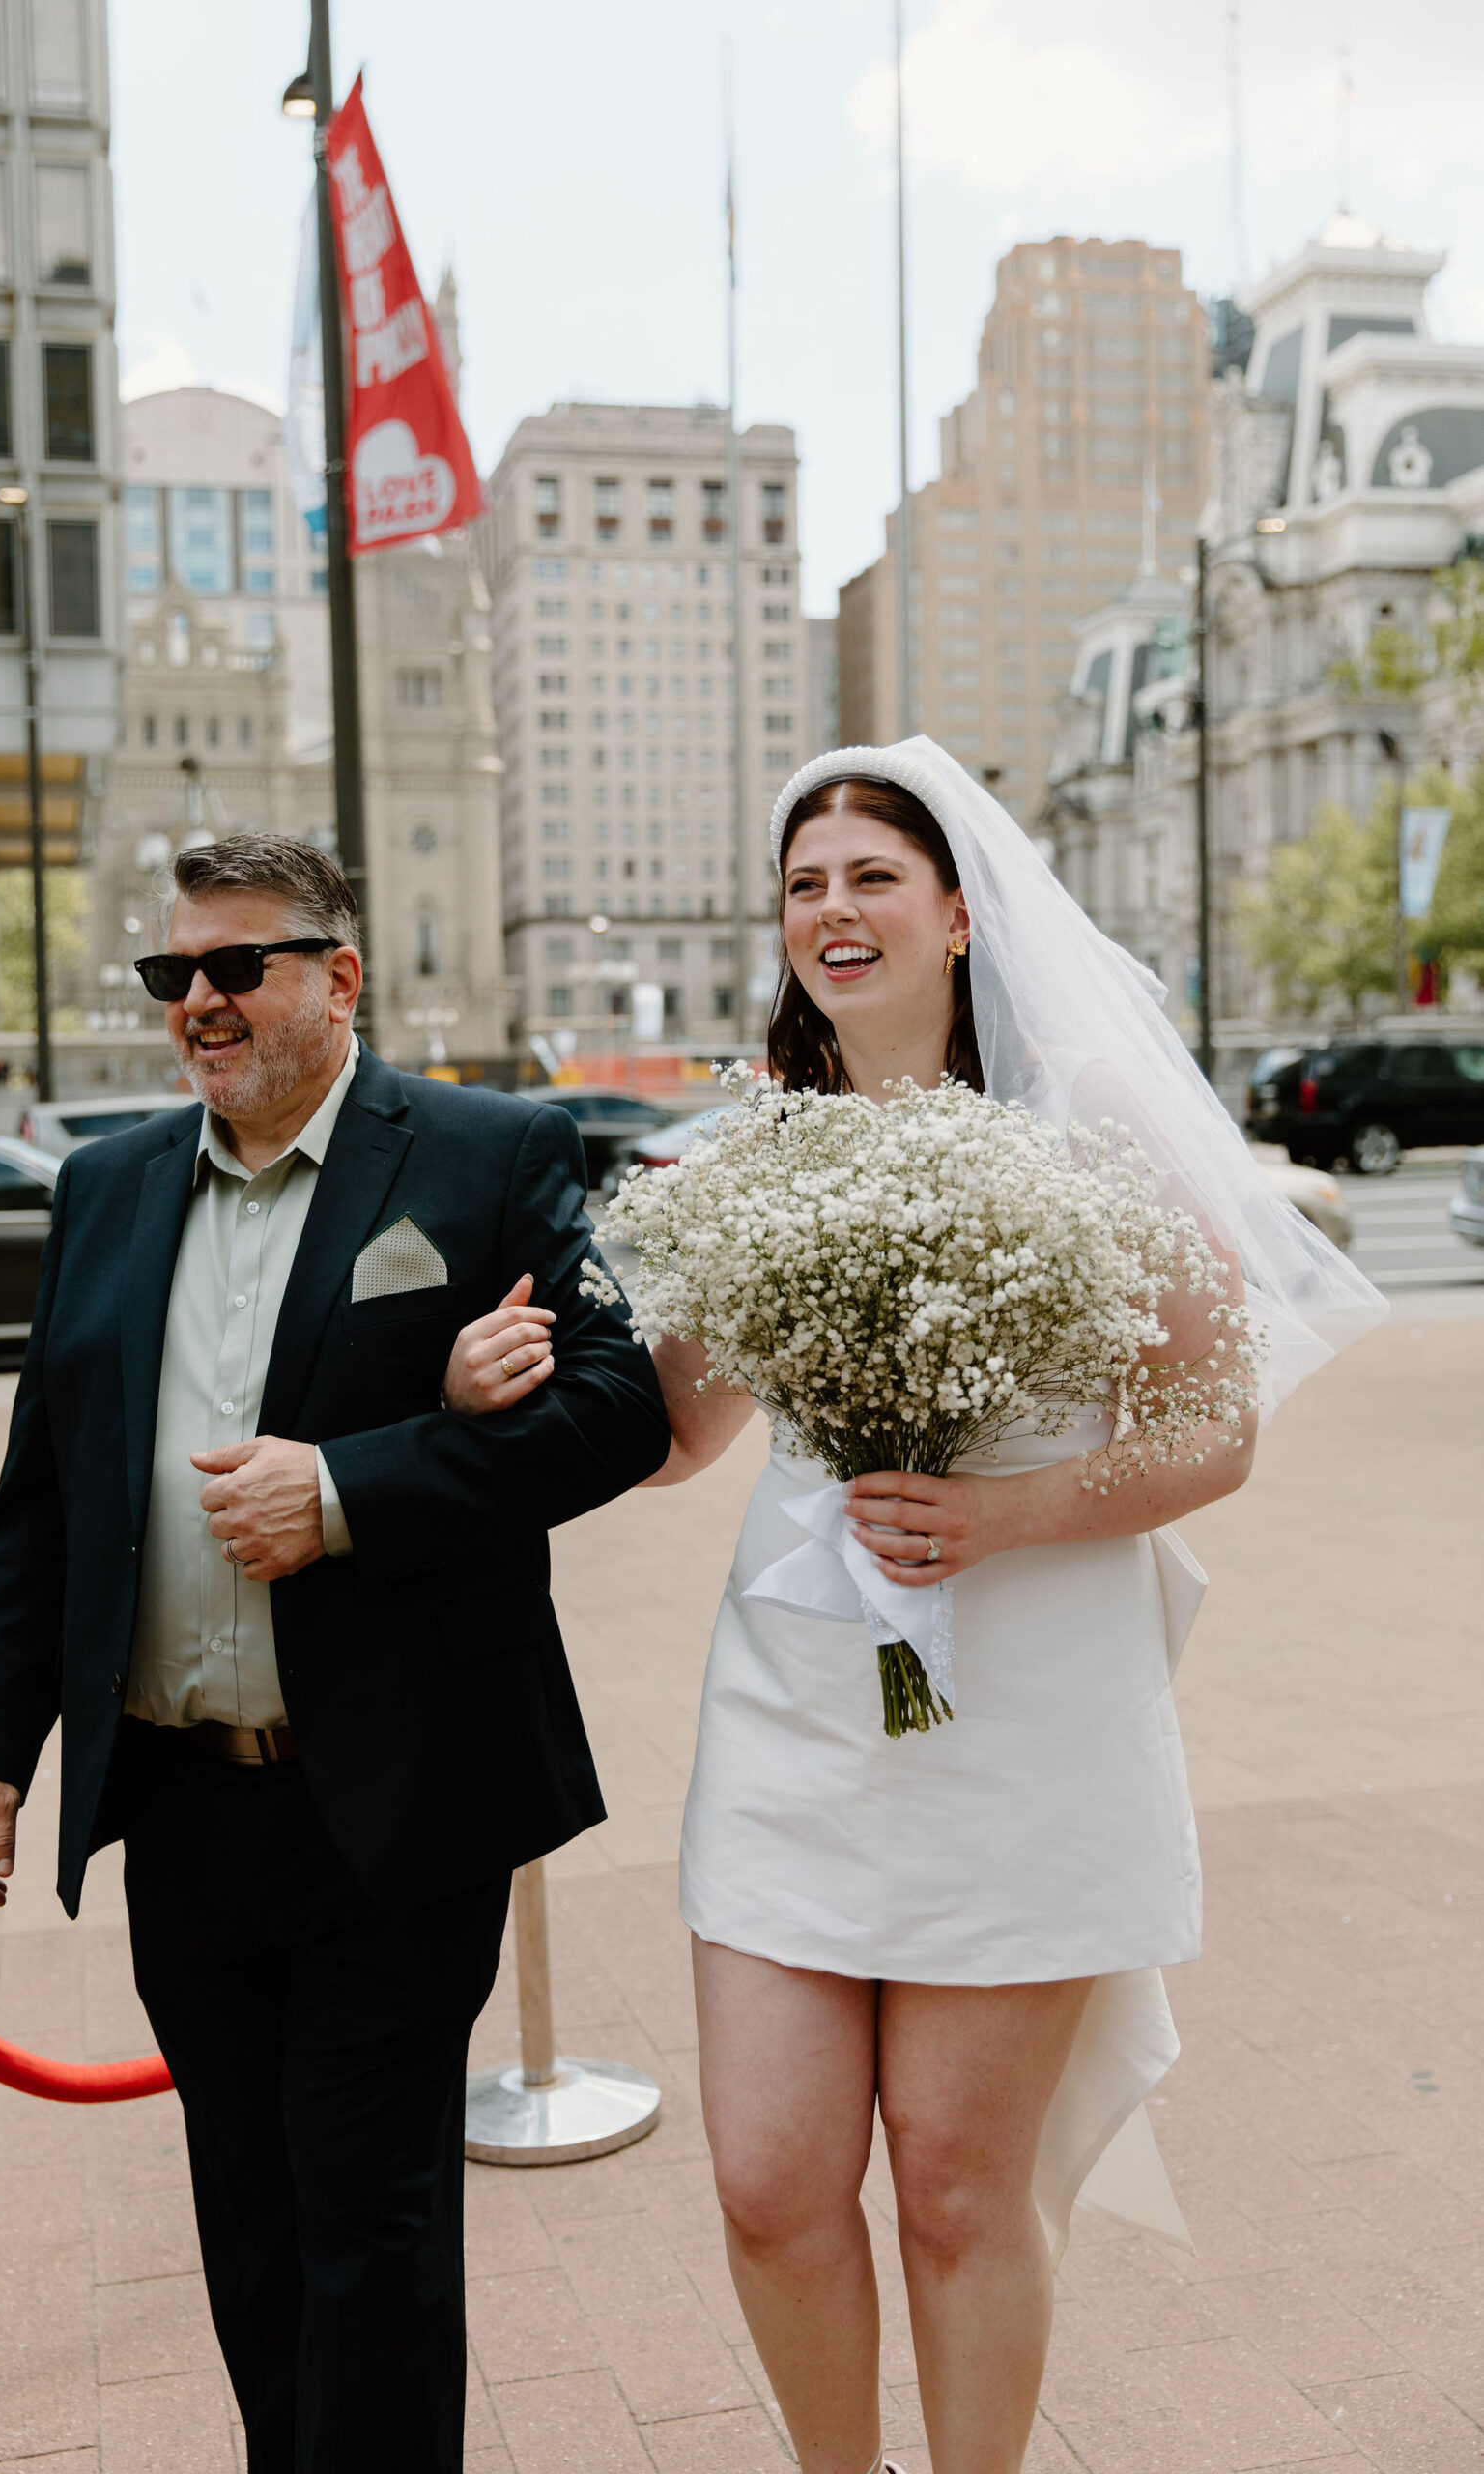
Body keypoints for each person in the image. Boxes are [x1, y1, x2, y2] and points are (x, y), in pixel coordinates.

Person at [444, 741, 1384, 2474]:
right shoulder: (760, 1151)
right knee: (768, 2180)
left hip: (1025, 1717)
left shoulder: (1084, 1115)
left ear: (960, 910)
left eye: (873, 876)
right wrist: (509, 1383)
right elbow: (681, 1434)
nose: (834, 910)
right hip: (801, 1709)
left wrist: (1006, 1510)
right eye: (806, 884)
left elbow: (1214, 1425)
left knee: (959, 2191)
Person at [0, 835, 670, 2474]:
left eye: (234, 967)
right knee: (249, 2223)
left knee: (369, 2221)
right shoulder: (107, 1188)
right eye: (170, 975)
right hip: (179, 1813)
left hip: (392, 1809)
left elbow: (622, 1409)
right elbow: (42, 1497)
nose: (198, 1002)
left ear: (337, 977)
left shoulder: (486, 1155)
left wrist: (347, 1489)